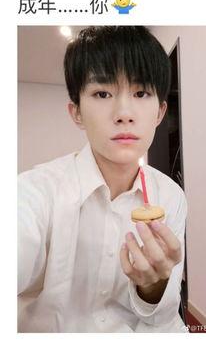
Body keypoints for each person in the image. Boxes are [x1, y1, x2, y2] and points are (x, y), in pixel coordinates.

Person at [18, 26, 188, 332]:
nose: (124, 113)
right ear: (77, 113)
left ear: (160, 112)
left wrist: (153, 285)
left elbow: (162, 318)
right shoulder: (36, 191)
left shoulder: (170, 196)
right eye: (102, 93)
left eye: (141, 93)